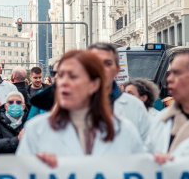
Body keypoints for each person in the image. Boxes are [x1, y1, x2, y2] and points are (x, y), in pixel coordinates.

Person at [16, 50, 144, 167]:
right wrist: (39, 168)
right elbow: (21, 172)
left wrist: (160, 162)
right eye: (60, 76)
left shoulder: (124, 130)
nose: (64, 82)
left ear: (94, 84)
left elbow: (142, 170)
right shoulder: (36, 130)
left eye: (73, 76)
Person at [89, 43, 150, 141]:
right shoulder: (71, 106)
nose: (101, 69)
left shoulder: (135, 106)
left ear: (117, 71)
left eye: (107, 64)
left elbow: (146, 144)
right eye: (95, 63)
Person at [146, 51, 189, 162]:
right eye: (170, 74)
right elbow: (146, 153)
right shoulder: (161, 119)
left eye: (177, 73)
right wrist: (153, 160)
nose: (169, 79)